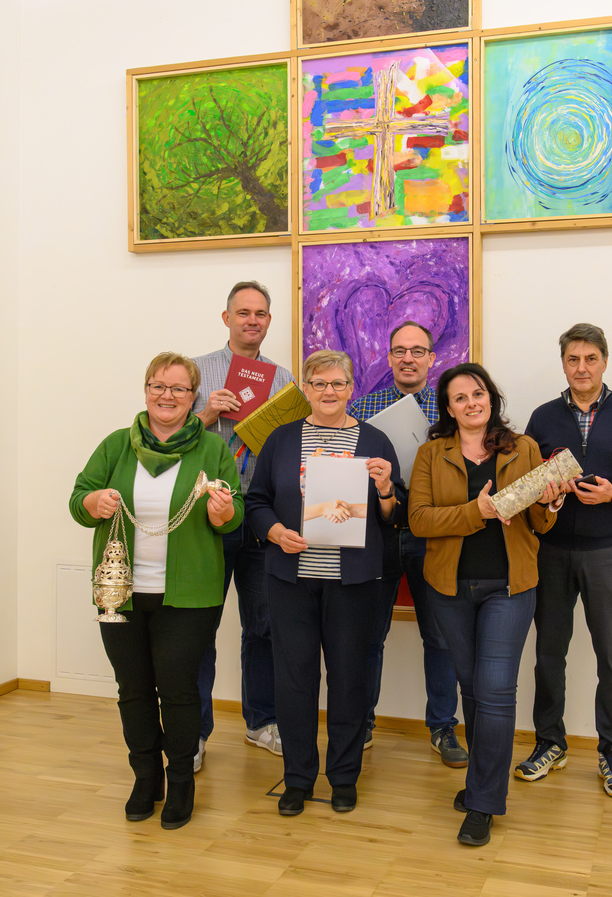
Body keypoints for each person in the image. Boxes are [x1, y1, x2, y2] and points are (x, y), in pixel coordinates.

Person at [69, 353, 244, 829]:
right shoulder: (116, 445)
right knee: (133, 689)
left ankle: (181, 781)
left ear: (194, 397)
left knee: (178, 689)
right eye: (158, 386)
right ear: (146, 390)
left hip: (189, 595)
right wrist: (94, 501)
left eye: (179, 389)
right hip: (119, 592)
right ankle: (146, 778)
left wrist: (223, 512)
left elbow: (235, 517)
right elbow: (78, 500)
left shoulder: (212, 448)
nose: (167, 396)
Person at [408, 363, 562, 846]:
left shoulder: (525, 448)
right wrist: (476, 511)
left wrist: (550, 504)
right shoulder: (431, 454)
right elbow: (419, 521)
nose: (471, 403)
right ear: (448, 409)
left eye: (478, 394)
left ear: (491, 398)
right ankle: (480, 782)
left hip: (509, 587)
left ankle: (483, 803)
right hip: (449, 588)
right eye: (460, 398)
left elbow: (538, 524)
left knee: (495, 690)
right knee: (473, 689)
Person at [245, 350, 404, 817]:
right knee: (294, 680)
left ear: (351, 389)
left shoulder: (374, 440)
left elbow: (395, 516)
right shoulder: (282, 438)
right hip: (291, 579)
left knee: (349, 679)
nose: (328, 391)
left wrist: (385, 489)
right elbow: (256, 502)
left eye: (337, 383)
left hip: (353, 581)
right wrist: (275, 532)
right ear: (307, 389)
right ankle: (297, 778)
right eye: (319, 383)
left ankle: (343, 776)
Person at [516, 323, 612, 797]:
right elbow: (527, 484)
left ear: (604, 361)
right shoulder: (542, 418)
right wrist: (548, 495)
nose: (581, 368)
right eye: (573, 359)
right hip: (551, 552)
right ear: (563, 364)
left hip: (608, 552)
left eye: (590, 359)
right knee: (548, 654)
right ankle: (550, 743)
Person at [349, 321, 467, 767]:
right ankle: (361, 723)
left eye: (418, 351)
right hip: (377, 533)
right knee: (367, 635)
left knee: (439, 635)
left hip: (430, 534)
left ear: (432, 359)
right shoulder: (362, 407)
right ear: (389, 357)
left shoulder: (450, 409)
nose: (408, 359)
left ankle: (442, 727)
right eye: (399, 350)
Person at [193, 280, 294, 769]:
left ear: (268, 321)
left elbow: (293, 448)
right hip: (208, 515)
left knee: (264, 626)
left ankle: (262, 722)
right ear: (226, 318)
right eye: (243, 312)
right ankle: (194, 732)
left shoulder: (284, 380)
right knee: (199, 626)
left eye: (260, 314)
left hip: (259, 515)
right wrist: (207, 412)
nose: (252, 320)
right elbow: (170, 435)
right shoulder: (196, 372)